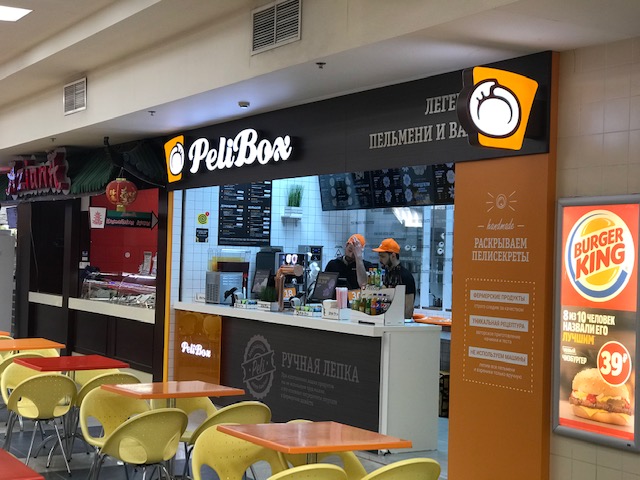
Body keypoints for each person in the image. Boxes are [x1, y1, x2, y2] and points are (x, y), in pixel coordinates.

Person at [372, 238, 416, 319]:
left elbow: (409, 308)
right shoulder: (386, 273)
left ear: (393, 256)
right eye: (379, 256)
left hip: (399, 321)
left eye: (383, 256)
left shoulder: (405, 276)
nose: (380, 260)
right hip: (385, 318)